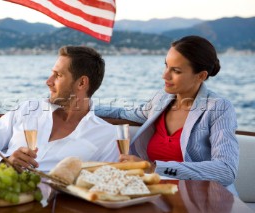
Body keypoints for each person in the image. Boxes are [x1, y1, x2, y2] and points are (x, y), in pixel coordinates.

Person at [95, 35, 239, 195]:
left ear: (201, 76)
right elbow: (123, 112)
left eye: (176, 71)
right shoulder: (161, 99)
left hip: (201, 199)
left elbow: (226, 171)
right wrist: (83, 106)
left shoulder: (219, 108)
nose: (165, 76)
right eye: (166, 66)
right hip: (154, 194)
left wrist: (153, 167)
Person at [0, 46, 119, 175]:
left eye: (58, 75)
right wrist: (4, 161)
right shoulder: (28, 109)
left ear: (82, 83)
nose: (48, 81)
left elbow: (108, 183)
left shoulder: (107, 136)